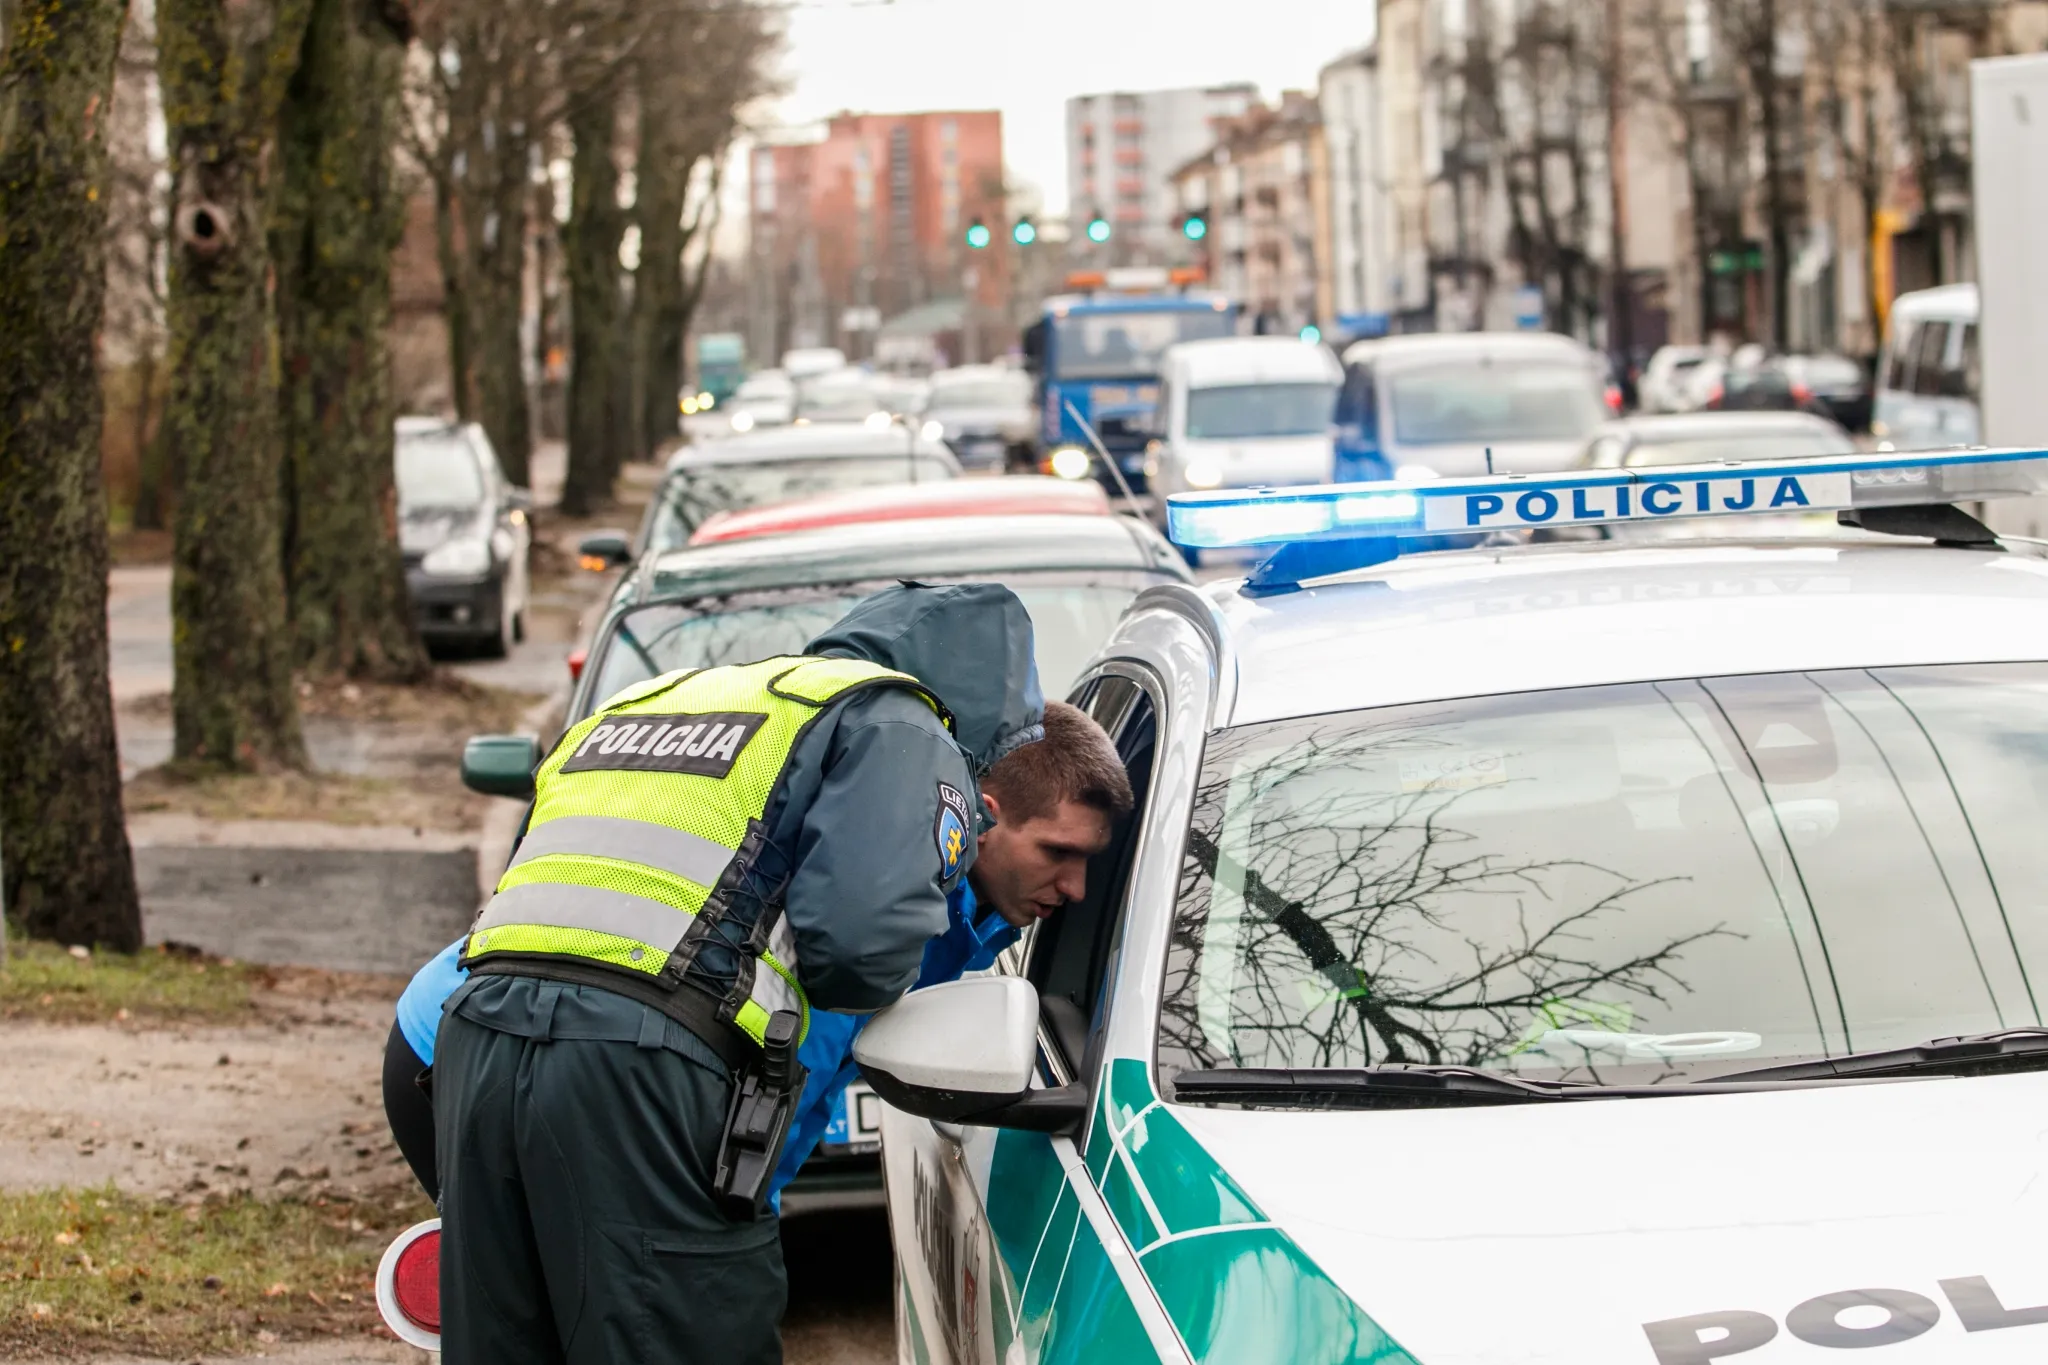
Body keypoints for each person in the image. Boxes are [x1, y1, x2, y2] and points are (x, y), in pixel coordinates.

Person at [419, 584, 1048, 1365]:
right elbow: (859, 951)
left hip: (475, 1035)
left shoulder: (655, 696)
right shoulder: (900, 720)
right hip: (646, 1064)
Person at [379, 699, 1133, 1208]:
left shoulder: (957, 891)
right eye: (1058, 852)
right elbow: (793, 1079)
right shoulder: (882, 890)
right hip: (471, 1040)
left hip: (528, 1025)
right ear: (982, 817)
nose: (1074, 887)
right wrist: (746, 1223)